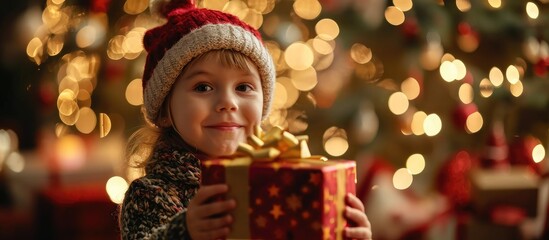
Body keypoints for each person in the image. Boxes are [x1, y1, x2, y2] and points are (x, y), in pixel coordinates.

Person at [119, 0, 372, 239]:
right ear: (164, 110)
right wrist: (185, 231)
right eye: (203, 87)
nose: (228, 102)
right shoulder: (151, 194)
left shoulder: (282, 180)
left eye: (243, 87)